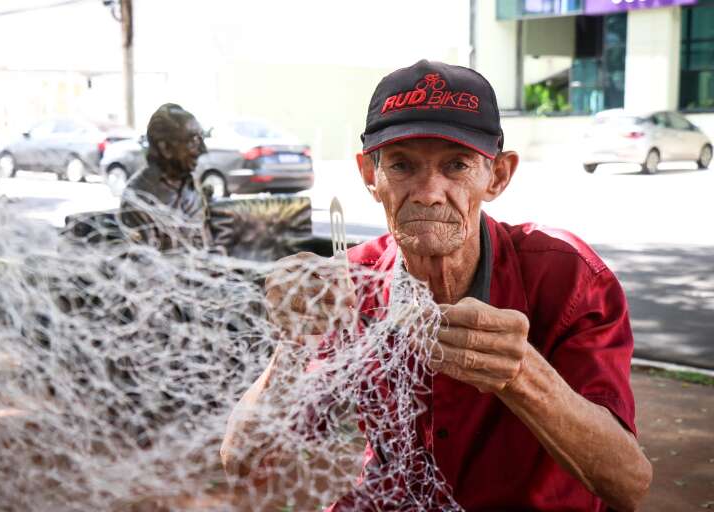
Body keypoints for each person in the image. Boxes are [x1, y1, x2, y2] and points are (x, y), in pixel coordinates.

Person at [221, 60, 652, 511]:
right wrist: (293, 345)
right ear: (371, 176)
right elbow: (243, 461)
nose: (428, 191)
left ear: (498, 176)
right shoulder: (347, 285)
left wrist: (522, 374)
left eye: (456, 165)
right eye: (403, 166)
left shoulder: (567, 278)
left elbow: (628, 483)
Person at [120, 103, 212, 250]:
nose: (202, 150)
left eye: (201, 140)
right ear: (166, 148)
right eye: (193, 141)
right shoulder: (139, 199)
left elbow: (205, 246)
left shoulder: (191, 186)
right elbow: (148, 267)